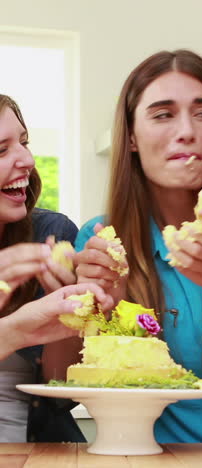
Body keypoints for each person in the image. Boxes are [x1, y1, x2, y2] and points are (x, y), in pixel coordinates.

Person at [75, 49, 202, 443]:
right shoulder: (99, 239)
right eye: (163, 114)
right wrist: (111, 309)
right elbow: (96, 383)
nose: (188, 131)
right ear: (130, 136)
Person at [0, 94, 83, 443]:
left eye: (24, 142)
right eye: (1, 150)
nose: (29, 160)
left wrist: (64, 314)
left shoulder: (53, 234)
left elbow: (61, 391)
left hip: (39, 447)